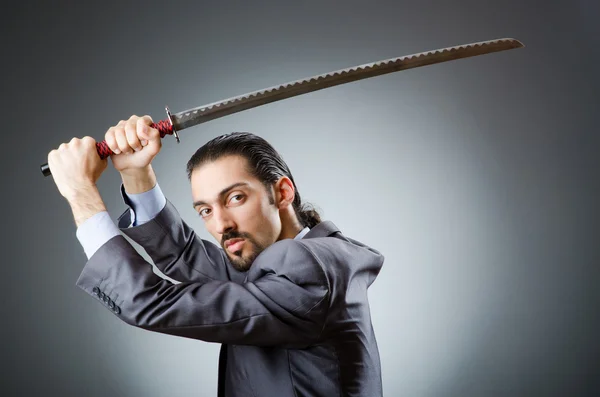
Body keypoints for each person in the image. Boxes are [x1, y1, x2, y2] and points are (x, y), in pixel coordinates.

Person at [47, 115, 385, 397]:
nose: (221, 224)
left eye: (235, 198)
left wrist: (80, 192)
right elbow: (189, 259)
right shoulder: (284, 259)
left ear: (281, 193)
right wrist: (136, 173)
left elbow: (150, 301)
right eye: (206, 210)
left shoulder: (308, 269)